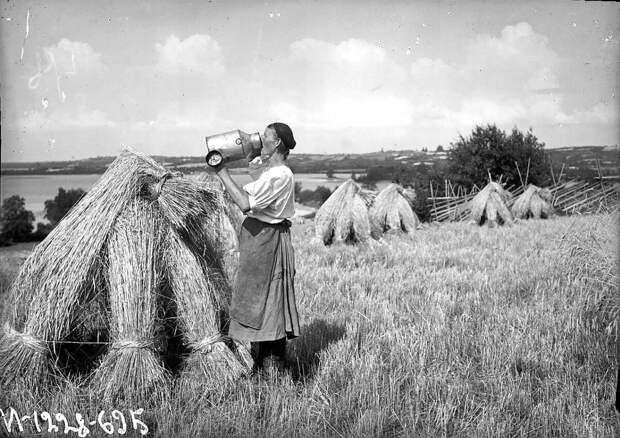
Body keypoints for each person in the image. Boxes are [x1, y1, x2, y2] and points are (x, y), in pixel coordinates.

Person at [211, 122, 300, 376]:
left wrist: (221, 171)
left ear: (277, 144)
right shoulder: (272, 173)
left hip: (268, 243)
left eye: (266, 137)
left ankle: (272, 369)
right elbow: (257, 177)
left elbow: (244, 203)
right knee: (255, 300)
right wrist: (252, 156)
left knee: (269, 301)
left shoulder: (281, 175)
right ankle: (261, 365)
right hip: (258, 242)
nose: (260, 139)